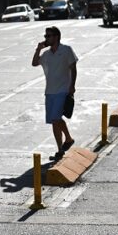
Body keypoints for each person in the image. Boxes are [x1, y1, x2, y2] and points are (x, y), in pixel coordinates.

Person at [32, 26, 78, 161]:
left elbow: (73, 68)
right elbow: (34, 63)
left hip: (63, 90)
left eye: (48, 36)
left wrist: (72, 86)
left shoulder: (66, 50)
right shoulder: (46, 54)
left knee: (56, 118)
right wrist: (38, 49)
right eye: (45, 36)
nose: (46, 38)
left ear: (56, 37)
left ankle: (60, 150)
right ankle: (67, 140)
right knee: (55, 120)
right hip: (49, 91)